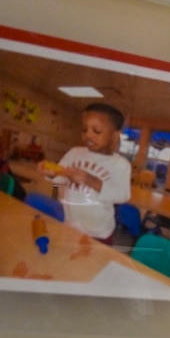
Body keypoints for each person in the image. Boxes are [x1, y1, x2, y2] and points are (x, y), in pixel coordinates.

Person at [50, 101, 132, 240]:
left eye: (97, 131)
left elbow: (122, 196)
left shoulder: (121, 164)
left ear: (114, 136)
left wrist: (90, 180)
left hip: (99, 233)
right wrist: (51, 171)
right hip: (70, 225)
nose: (88, 135)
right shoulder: (75, 152)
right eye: (84, 129)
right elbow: (60, 177)